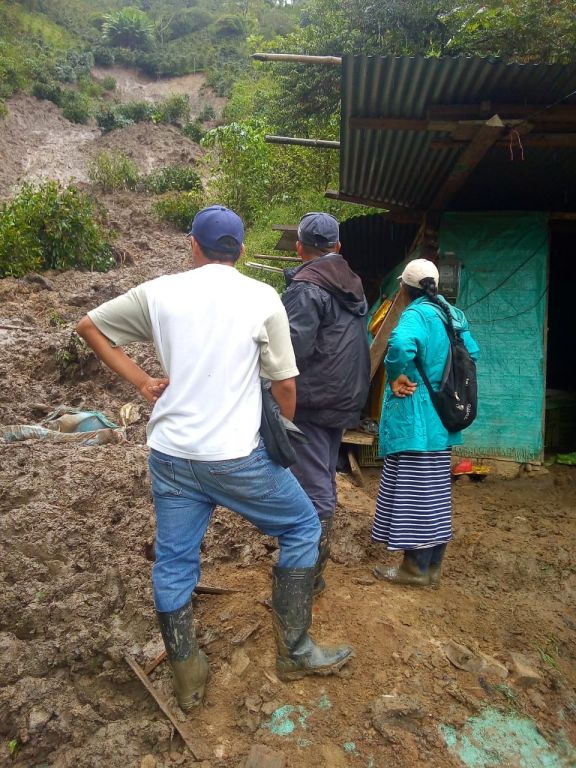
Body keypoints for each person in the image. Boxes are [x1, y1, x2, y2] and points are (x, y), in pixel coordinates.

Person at [76, 205, 353, 712]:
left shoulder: (158, 293)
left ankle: (188, 674)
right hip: (234, 457)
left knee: (176, 558)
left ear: (193, 246)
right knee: (301, 528)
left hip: (170, 456)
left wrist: (140, 381)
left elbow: (89, 326)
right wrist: (284, 435)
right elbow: (285, 384)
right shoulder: (261, 296)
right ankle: (294, 650)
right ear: (242, 250)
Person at [371, 258, 479, 587]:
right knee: (434, 494)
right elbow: (471, 352)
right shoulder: (451, 313)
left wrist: (397, 374)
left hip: (417, 419)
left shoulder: (417, 314)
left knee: (414, 495)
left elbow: (401, 344)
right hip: (441, 421)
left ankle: (413, 570)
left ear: (403, 288)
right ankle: (431, 568)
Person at [282, 212, 370, 596]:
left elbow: (291, 350)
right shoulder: (353, 286)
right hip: (344, 397)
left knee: (313, 486)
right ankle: (312, 568)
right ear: (338, 247)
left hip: (314, 400)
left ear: (299, 247)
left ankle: (308, 577)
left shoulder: (307, 288)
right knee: (324, 479)